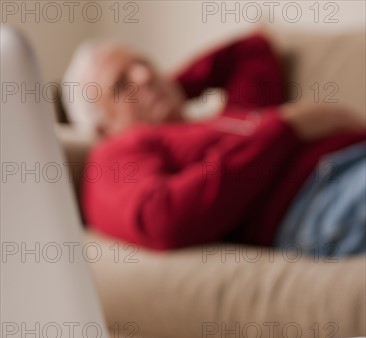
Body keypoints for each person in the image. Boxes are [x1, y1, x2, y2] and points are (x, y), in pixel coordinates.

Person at [62, 32, 366, 254]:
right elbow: (162, 218)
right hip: (316, 196)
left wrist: (169, 90)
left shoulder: (230, 119)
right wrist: (287, 126)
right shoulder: (115, 151)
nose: (143, 76)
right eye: (121, 84)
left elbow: (251, 50)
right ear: (102, 126)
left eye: (144, 64)